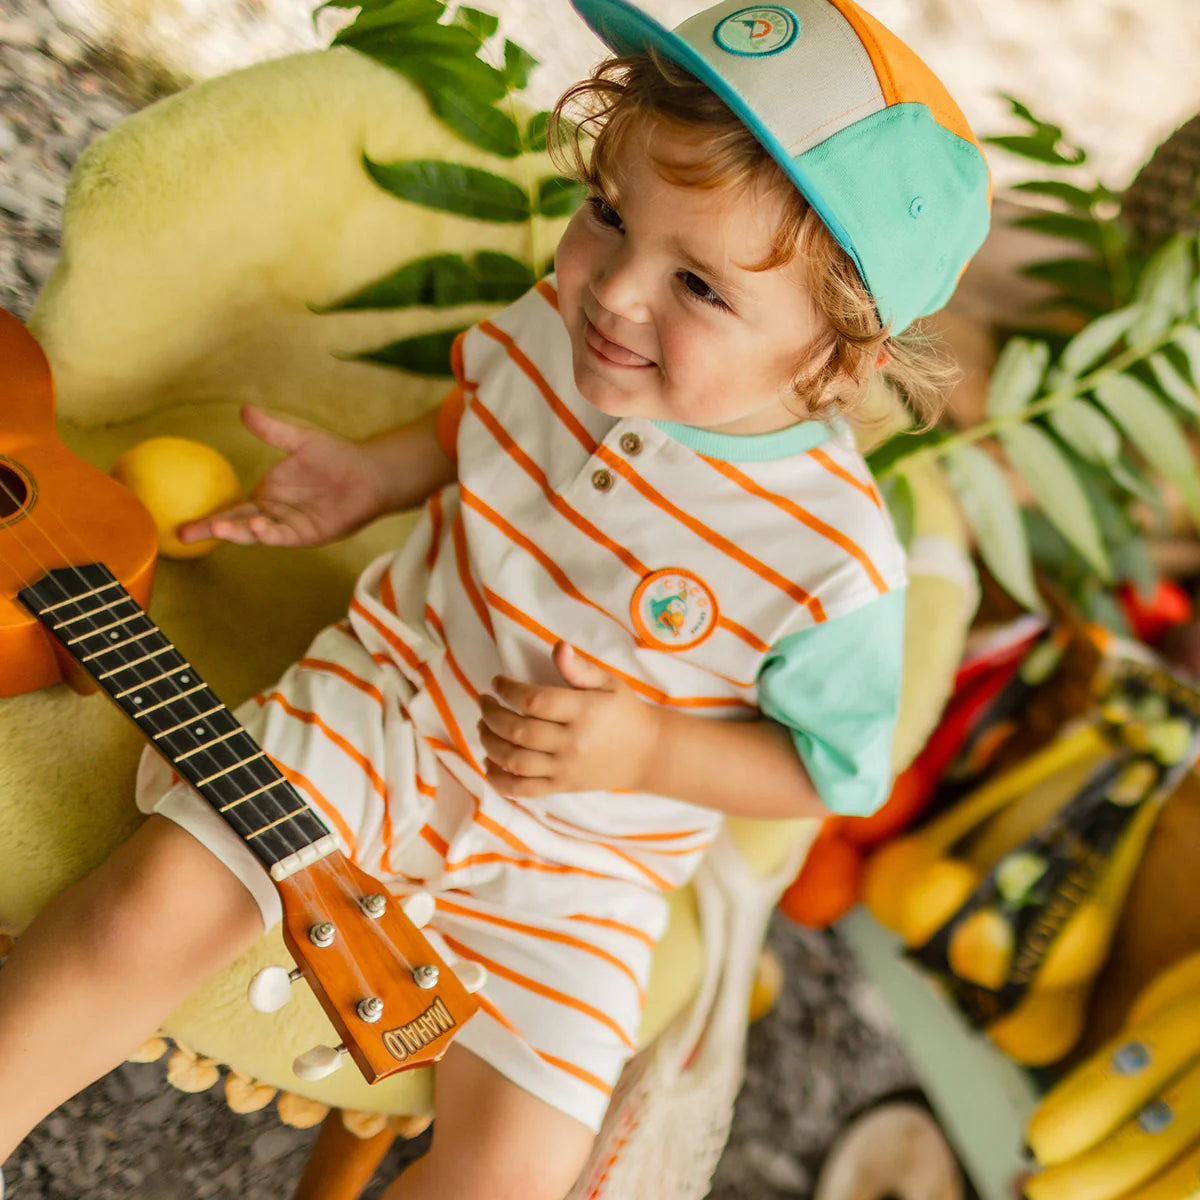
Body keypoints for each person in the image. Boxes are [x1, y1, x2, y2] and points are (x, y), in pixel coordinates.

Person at [0, 0, 990, 1196]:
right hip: (394, 697)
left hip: (586, 867)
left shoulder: (833, 565)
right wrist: (369, 475)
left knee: (512, 1177)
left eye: (701, 287)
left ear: (838, 359)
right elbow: (480, 414)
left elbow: (831, 772)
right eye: (610, 215)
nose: (614, 292)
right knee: (150, 906)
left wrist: (646, 746)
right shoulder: (558, 327)